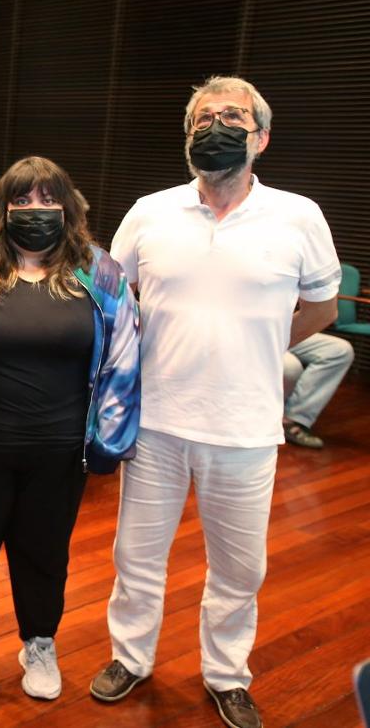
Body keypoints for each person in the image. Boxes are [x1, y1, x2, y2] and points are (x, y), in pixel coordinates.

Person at [91, 76, 341, 728]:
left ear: (260, 136)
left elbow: (322, 305)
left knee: (239, 566)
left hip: (247, 426)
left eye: (233, 116)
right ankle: (131, 658)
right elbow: (113, 298)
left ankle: (227, 674)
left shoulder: (299, 215)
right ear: (187, 136)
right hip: (157, 423)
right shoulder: (150, 211)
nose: (217, 125)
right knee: (136, 557)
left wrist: (260, 345)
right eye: (204, 116)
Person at [0, 156, 141, 703]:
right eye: (21, 200)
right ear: (1, 207)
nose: (34, 210)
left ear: (68, 206)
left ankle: (39, 643)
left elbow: (125, 358)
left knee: (44, 554)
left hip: (59, 451)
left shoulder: (99, 271)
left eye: (47, 199)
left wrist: (110, 442)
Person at [282, 332, 353, 448]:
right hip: (251, 333)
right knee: (291, 367)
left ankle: (293, 420)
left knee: (340, 350)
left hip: (284, 329)